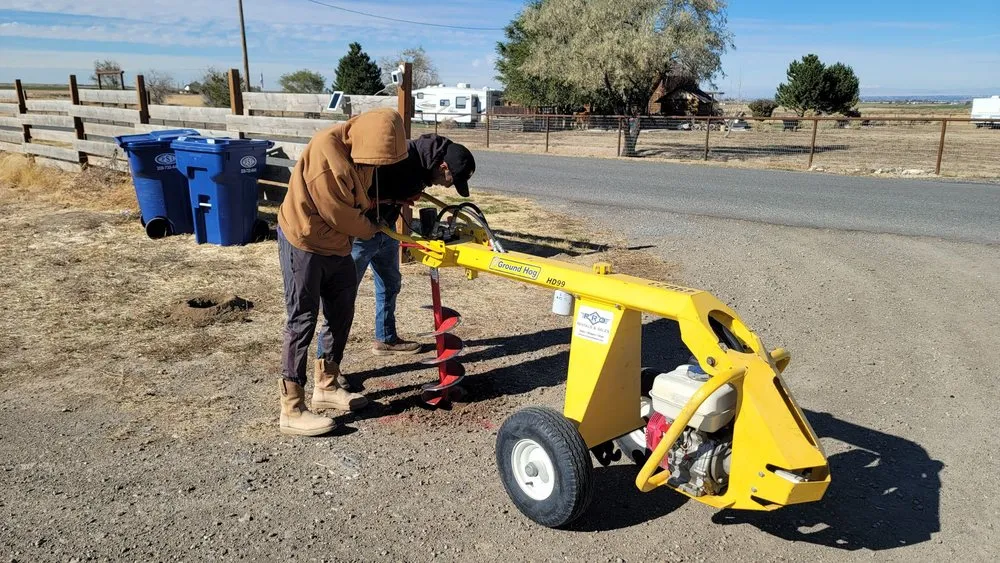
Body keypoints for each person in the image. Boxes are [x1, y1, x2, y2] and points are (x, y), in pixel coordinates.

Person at [276, 108, 408, 436]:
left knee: (341, 312)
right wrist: (372, 225)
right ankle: (291, 408)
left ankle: (328, 385)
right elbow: (339, 213)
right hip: (304, 241)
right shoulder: (326, 152)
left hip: (337, 245)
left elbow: (358, 201)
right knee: (302, 319)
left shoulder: (361, 153)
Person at [323, 134, 476, 371]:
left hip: (386, 230)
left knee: (391, 284)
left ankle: (385, 339)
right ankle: (328, 369)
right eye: (450, 180)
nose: (447, 186)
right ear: (443, 166)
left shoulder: (426, 163)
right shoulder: (402, 157)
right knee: (342, 297)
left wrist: (401, 199)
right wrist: (395, 197)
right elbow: (361, 187)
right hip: (361, 233)